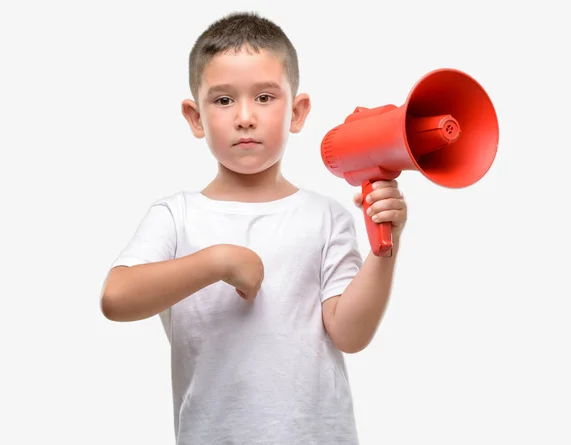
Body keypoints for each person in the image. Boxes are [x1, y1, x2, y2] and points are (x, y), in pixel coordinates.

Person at [100, 10, 407, 445]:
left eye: (265, 98)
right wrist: (217, 261)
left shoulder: (326, 217)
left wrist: (383, 250)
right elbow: (116, 298)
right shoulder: (177, 215)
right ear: (195, 117)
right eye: (224, 100)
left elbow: (350, 334)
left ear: (297, 112)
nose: (245, 116)